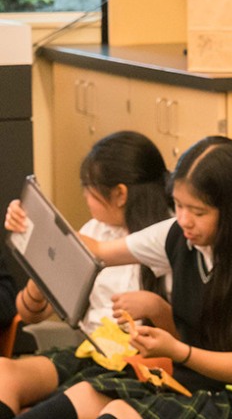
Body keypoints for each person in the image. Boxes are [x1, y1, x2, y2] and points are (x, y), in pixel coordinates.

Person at [0, 136, 232, 419]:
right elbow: (97, 250)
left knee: (115, 410)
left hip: (224, 394)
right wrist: (31, 225)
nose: (184, 219)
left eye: (198, 211)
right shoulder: (178, 233)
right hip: (169, 372)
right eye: (178, 205)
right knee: (81, 394)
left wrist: (178, 349)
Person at [0, 131, 173, 415]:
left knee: (64, 402)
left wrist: (156, 308)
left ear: (119, 194)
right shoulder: (95, 230)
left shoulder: (166, 239)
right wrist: (35, 245)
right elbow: (29, 313)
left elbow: (184, 339)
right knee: (3, 373)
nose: (84, 198)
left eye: (88, 189)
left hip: (137, 366)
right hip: (92, 352)